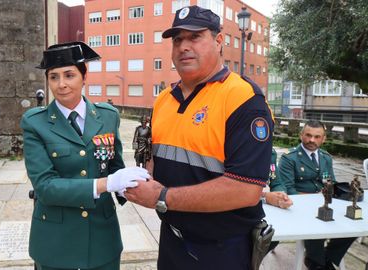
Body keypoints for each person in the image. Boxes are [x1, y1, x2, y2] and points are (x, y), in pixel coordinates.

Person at [125, 6, 274, 270]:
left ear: (218, 42)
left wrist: (162, 197)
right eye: (178, 39)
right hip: (172, 240)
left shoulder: (243, 98)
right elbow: (156, 161)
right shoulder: (164, 100)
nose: (184, 46)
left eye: (194, 37)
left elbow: (246, 190)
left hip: (221, 250)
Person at [20, 41, 149, 270]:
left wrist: (127, 185)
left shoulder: (107, 116)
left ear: (84, 76)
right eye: (53, 77)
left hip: (102, 237)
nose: (61, 84)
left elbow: (114, 166)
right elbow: (45, 187)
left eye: (69, 75)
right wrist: (105, 184)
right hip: (55, 240)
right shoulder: (35, 123)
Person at [278, 120, 356, 270]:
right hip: (299, 207)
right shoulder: (289, 158)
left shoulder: (326, 157)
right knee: (315, 222)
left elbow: (330, 181)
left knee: (353, 223)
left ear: (323, 138)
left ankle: (328, 256)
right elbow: (288, 190)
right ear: (301, 135)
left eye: (317, 136)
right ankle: (317, 262)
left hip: (324, 203)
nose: (311, 140)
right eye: (308, 135)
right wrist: (315, 197)